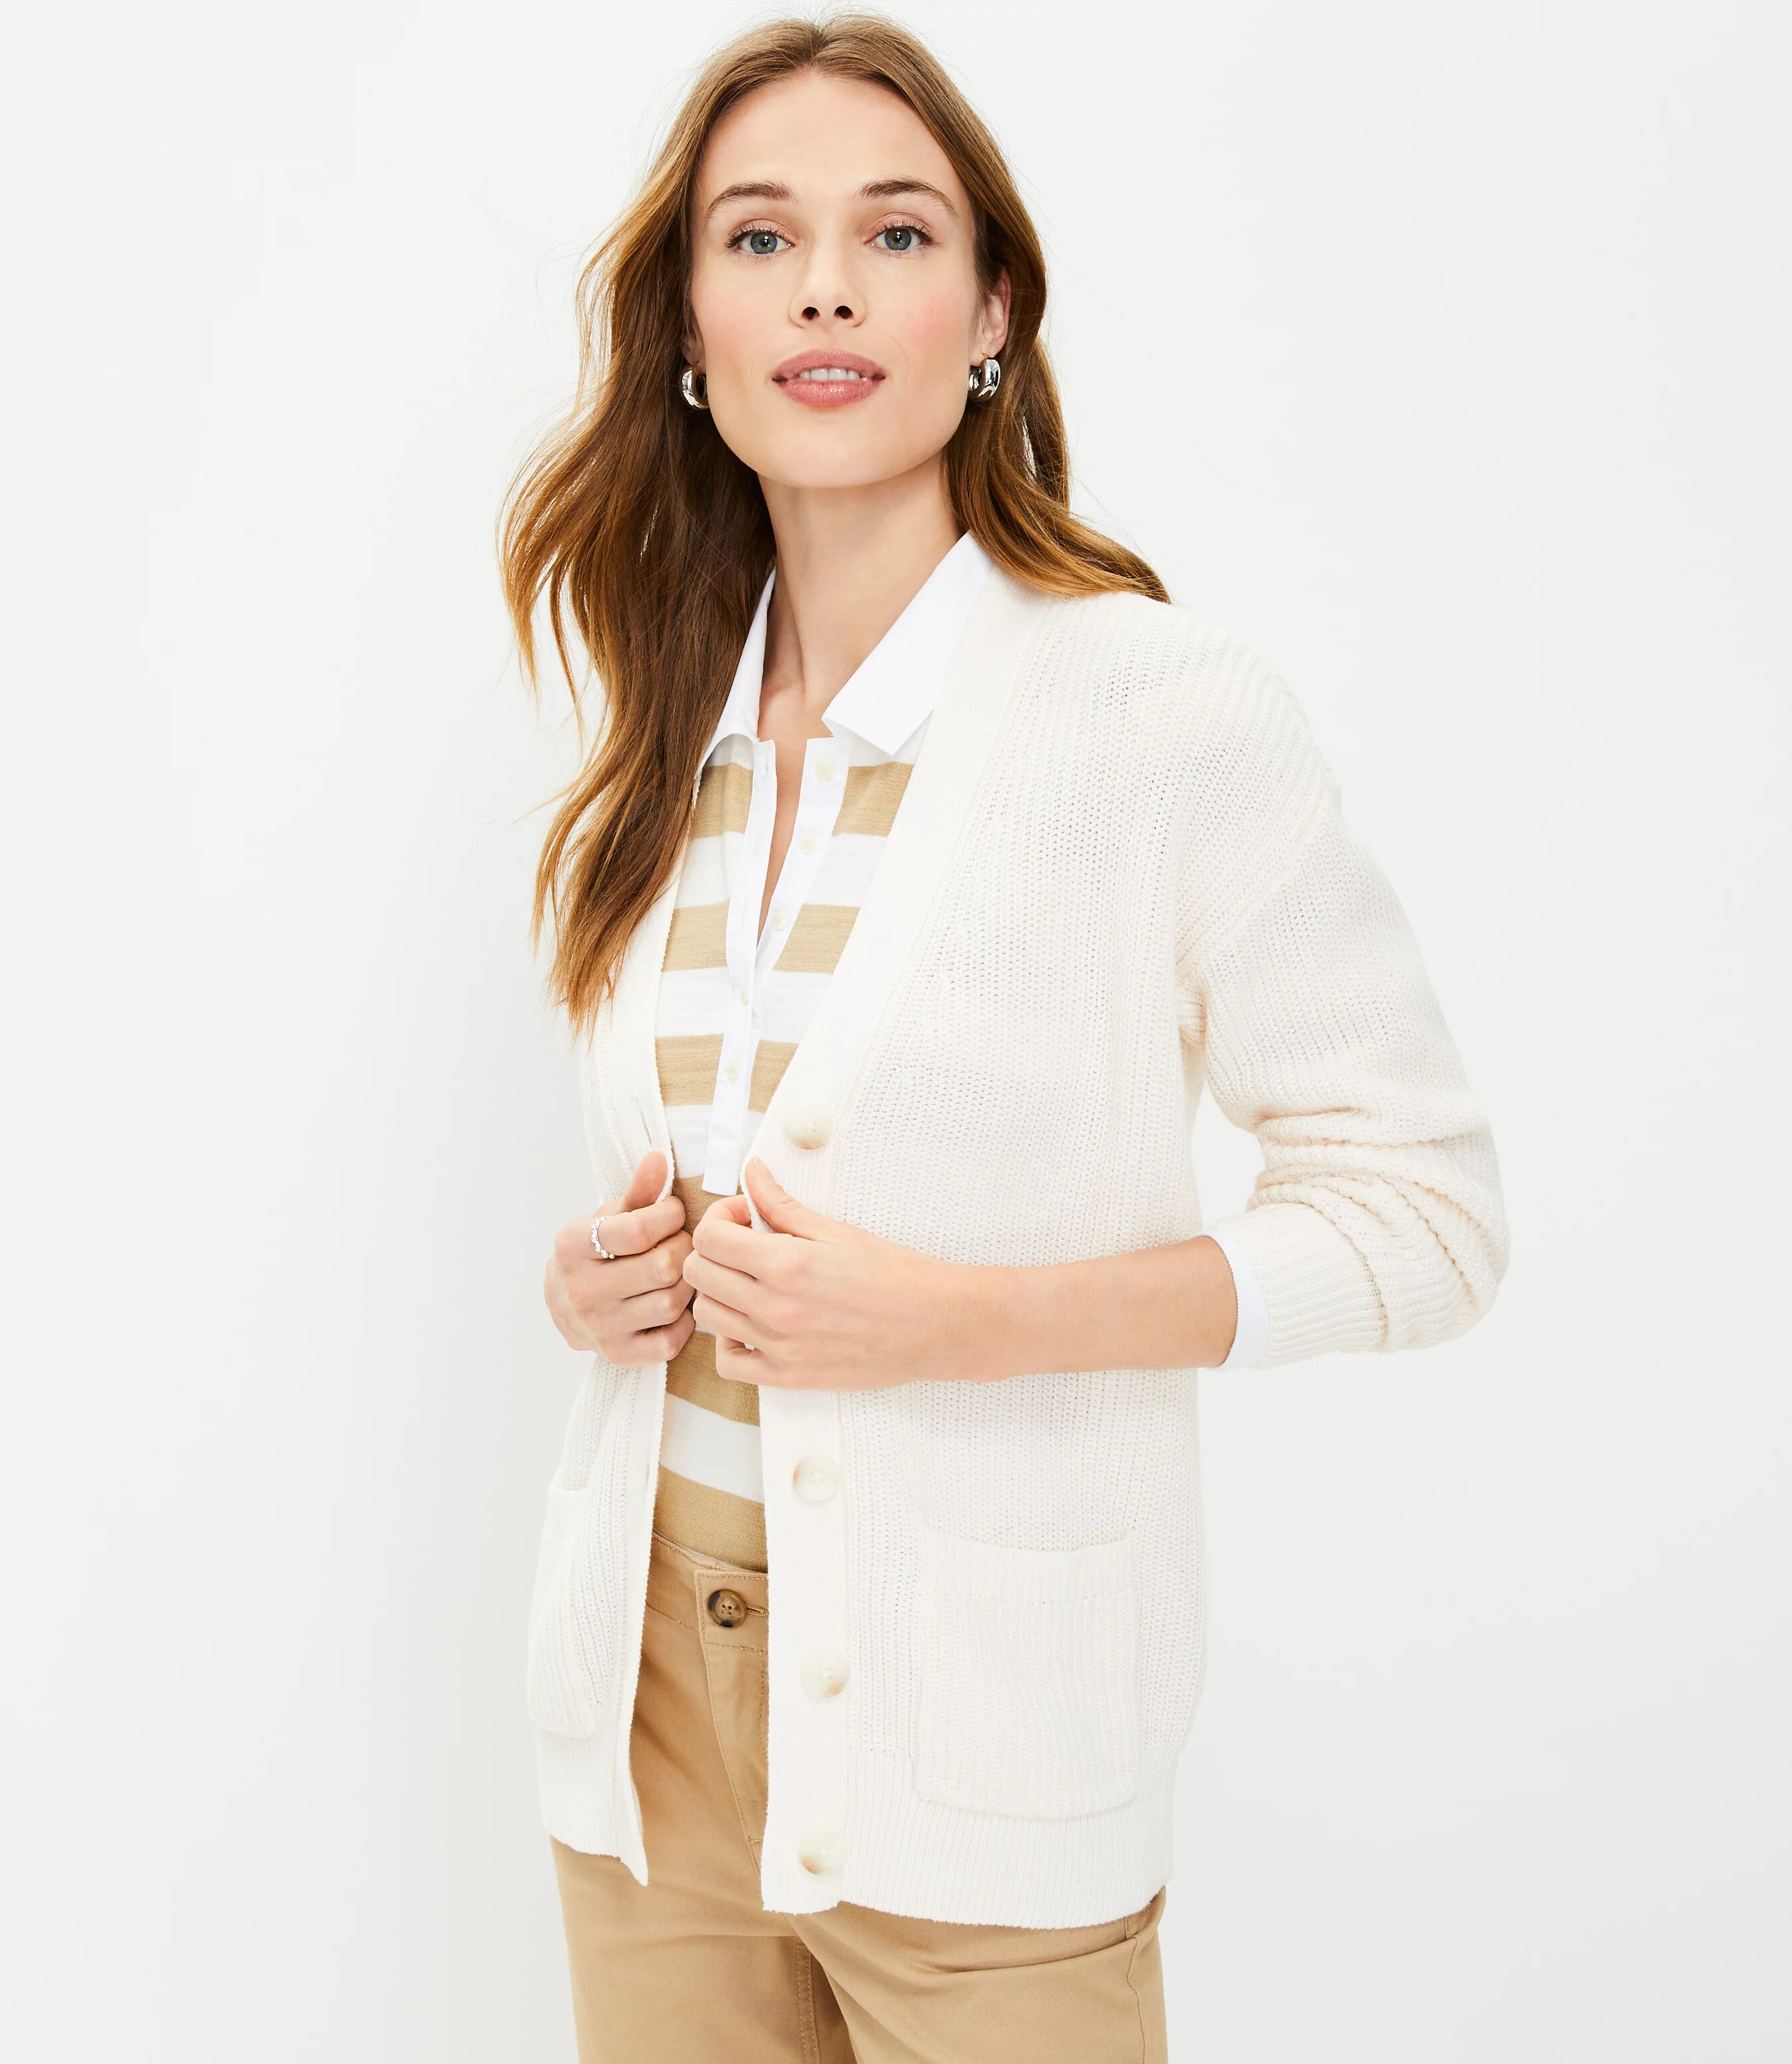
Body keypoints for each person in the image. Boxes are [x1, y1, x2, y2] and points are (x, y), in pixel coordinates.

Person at [499, 15, 1507, 2062]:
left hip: (990, 1755)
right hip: (645, 1727)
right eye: (760, 238)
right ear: (689, 328)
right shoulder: (670, 727)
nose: (827, 289)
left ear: (993, 312)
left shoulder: (1162, 716)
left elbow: (1426, 1218)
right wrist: (598, 1286)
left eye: (895, 233)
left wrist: (962, 1322)